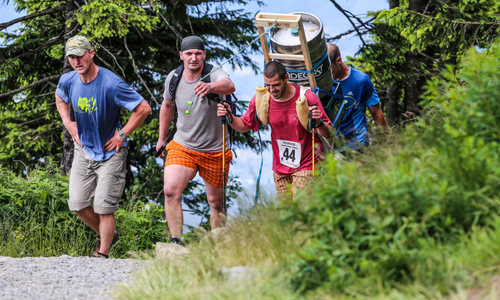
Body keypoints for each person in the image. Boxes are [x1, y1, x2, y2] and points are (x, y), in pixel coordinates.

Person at [55, 36, 151, 258]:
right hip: (84, 149)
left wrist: (123, 134)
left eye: (80, 55)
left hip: (111, 152)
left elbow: (143, 108)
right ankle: (107, 233)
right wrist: (68, 123)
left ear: (91, 53)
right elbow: (60, 97)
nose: (76, 61)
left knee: (104, 207)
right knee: (77, 203)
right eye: (72, 57)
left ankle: (102, 255)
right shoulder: (68, 80)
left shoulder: (111, 83)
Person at [156, 36, 235, 246]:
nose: (193, 58)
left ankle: (219, 245)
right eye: (189, 54)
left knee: (216, 204)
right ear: (181, 55)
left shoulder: (213, 73)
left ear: (204, 55)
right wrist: (162, 138)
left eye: (198, 53)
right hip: (183, 144)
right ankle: (176, 242)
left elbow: (229, 85)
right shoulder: (174, 77)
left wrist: (211, 87)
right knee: (170, 191)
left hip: (215, 149)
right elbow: (167, 106)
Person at [217, 61, 333, 200]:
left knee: (302, 208)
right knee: (287, 213)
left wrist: (318, 123)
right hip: (280, 168)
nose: (272, 90)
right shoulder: (262, 100)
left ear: (286, 78)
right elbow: (244, 124)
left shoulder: (307, 98)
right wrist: (230, 117)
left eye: (276, 85)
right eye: (268, 85)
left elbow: (330, 133)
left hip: (307, 163)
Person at [328, 43, 388, 150]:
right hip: (330, 147)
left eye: (330, 68)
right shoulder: (323, 81)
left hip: (356, 146)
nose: (328, 73)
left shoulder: (361, 80)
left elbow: (376, 113)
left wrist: (388, 143)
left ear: (338, 60)